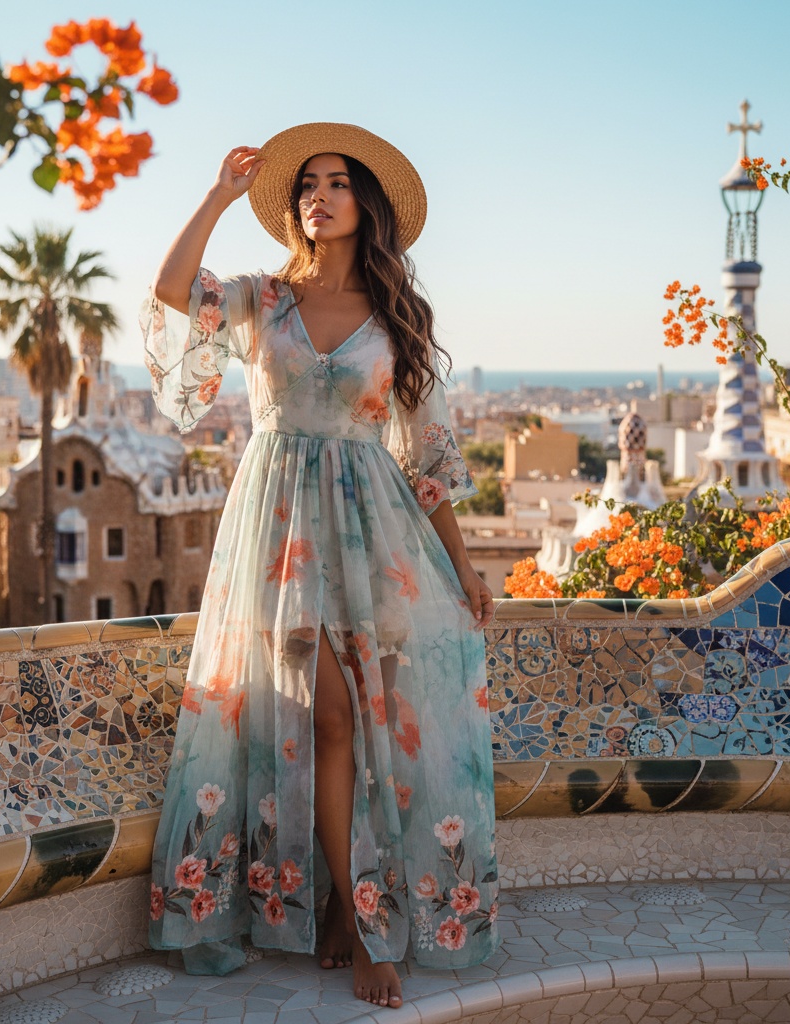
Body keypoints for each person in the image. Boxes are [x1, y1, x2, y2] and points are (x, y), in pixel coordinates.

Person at [142, 123, 499, 1009]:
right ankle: (342, 904)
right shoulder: (262, 299)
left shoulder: (396, 318)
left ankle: (350, 906)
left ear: (365, 205)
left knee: (348, 721)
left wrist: (465, 568)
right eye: (308, 183)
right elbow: (170, 293)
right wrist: (219, 196)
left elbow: (430, 455)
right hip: (276, 525)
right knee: (315, 713)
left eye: (337, 182)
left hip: (372, 528)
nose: (319, 194)